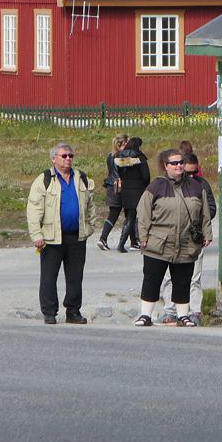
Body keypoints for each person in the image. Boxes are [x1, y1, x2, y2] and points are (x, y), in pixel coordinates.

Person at [134, 149, 213, 327]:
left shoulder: (195, 187)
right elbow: (143, 213)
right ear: (165, 166)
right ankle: (145, 315)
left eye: (181, 163)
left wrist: (207, 233)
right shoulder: (155, 187)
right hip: (159, 241)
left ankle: (183, 316)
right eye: (174, 163)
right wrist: (143, 236)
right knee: (152, 278)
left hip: (186, 242)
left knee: (183, 280)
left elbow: (204, 214)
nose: (179, 166)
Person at [26, 143, 97, 324]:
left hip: (76, 236)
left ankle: (73, 311)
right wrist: (37, 235)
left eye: (70, 155)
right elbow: (34, 209)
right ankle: (49, 312)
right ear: (53, 159)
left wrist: (89, 228)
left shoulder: (80, 177)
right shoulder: (44, 180)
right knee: (49, 277)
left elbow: (91, 206)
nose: (68, 159)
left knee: (75, 277)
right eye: (64, 156)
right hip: (51, 237)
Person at [158, 152, 216, 325]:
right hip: (171, 238)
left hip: (193, 237)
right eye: (187, 172)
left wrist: (199, 223)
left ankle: (194, 312)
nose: (191, 176)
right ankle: (170, 310)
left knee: (194, 278)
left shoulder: (201, 185)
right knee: (169, 276)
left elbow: (210, 209)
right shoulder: (167, 185)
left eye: (194, 172)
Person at [113, 136, 149, 252]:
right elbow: (146, 176)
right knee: (134, 217)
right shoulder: (140, 157)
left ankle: (132, 242)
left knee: (129, 215)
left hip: (125, 190)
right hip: (137, 190)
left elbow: (117, 172)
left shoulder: (120, 157)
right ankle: (122, 243)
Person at [97, 134, 128, 251]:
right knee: (128, 214)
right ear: (123, 144)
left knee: (113, 214)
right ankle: (103, 238)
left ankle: (103, 238)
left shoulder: (110, 155)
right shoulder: (122, 157)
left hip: (110, 186)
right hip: (119, 187)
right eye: (127, 142)